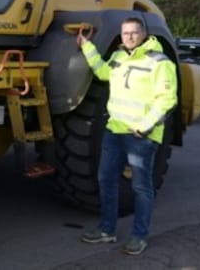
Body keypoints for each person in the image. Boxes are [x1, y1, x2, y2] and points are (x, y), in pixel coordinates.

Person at [76, 17, 177, 255]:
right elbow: (102, 72)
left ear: (143, 34)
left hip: (141, 135)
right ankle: (106, 230)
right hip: (115, 130)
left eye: (133, 33)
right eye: (125, 33)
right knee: (106, 179)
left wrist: (145, 126)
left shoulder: (160, 62)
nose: (129, 37)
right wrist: (86, 47)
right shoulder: (119, 57)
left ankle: (139, 236)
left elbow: (166, 100)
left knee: (141, 188)